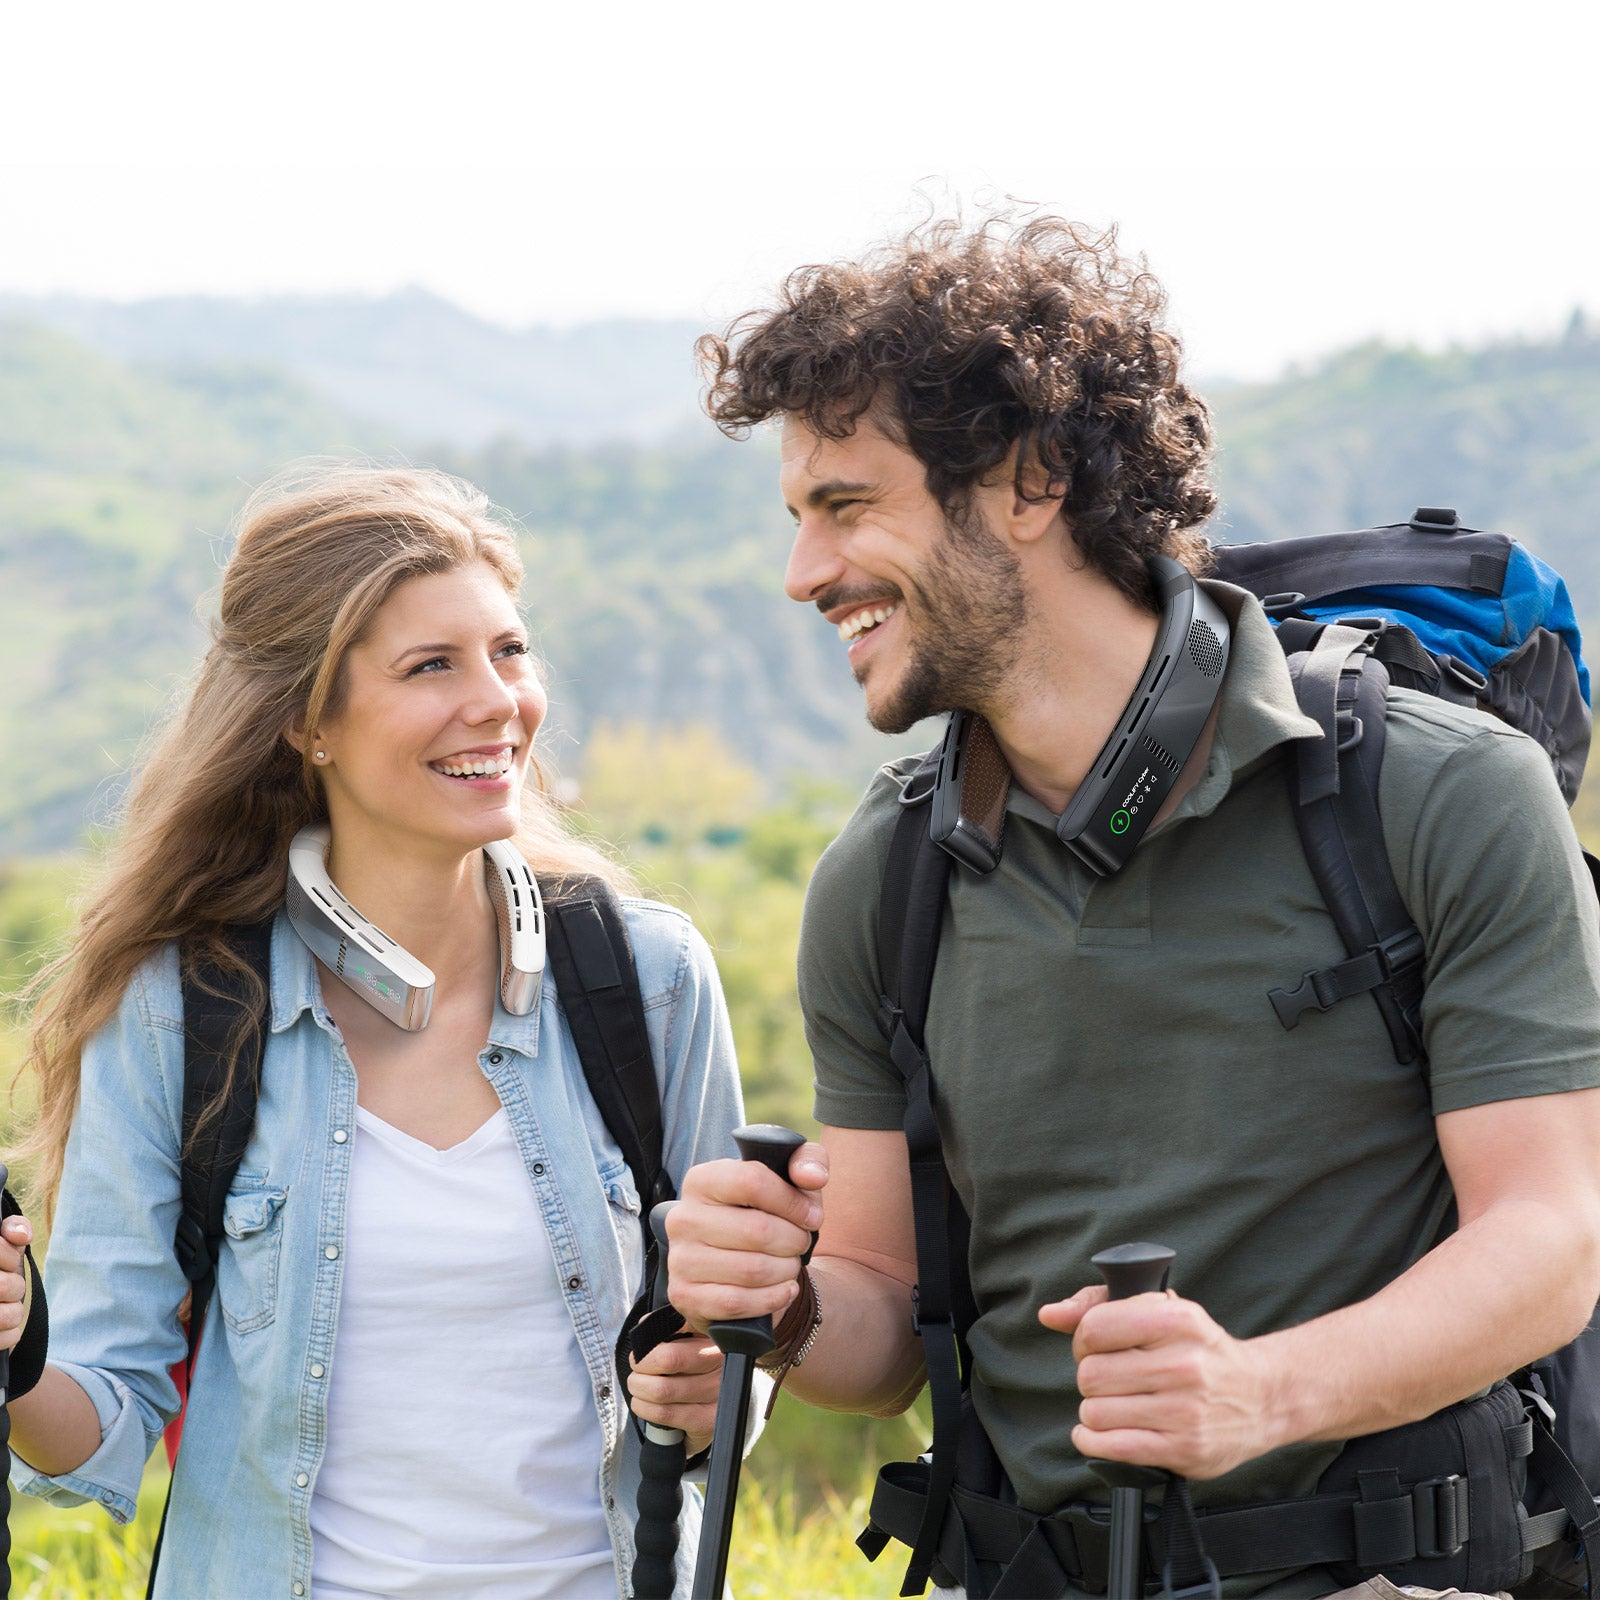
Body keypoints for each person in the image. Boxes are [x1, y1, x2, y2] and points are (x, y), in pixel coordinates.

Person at [662, 215, 1600, 1599]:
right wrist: (782, 1299)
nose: (804, 573)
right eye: (796, 517)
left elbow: (1549, 1245)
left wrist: (1259, 1394)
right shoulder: (887, 878)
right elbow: (872, 1326)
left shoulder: (1434, 796)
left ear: (1030, 479)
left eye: (847, 505)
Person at [0, 464, 741, 1599]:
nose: (497, 701)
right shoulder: (179, 1006)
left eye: (509, 650)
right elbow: (95, 1421)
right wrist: (12, 1357)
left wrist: (725, 1386)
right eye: (430, 666)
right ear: (308, 720)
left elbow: (730, 1371)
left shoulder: (649, 980)